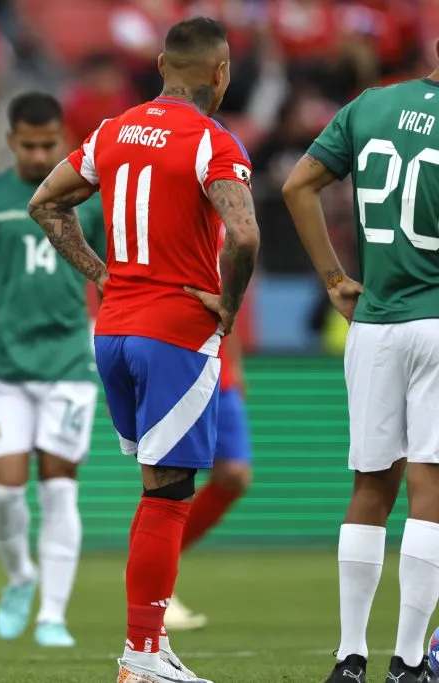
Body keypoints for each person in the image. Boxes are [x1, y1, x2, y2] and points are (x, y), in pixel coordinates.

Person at [28, 17, 260, 683]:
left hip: (114, 330)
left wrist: (100, 274)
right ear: (220, 74)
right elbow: (243, 236)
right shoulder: (213, 141)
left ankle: (148, 650)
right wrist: (228, 304)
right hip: (175, 333)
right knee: (169, 495)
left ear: (161, 62)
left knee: (158, 487)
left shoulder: (114, 130)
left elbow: (45, 203)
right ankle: (142, 654)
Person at [282, 39, 439, 683]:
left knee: (371, 487)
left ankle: (350, 659)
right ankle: (407, 663)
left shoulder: (370, 105)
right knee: (430, 489)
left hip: (374, 324)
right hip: (437, 321)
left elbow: (298, 185)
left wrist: (333, 279)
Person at [0, 92, 103, 648]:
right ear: (10, 140)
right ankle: (21, 578)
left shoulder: (90, 198)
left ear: (63, 138)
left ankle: (52, 615)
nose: (40, 155)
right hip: (4, 369)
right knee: (4, 496)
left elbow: (112, 278)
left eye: (49, 144)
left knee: (60, 491)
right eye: (29, 145)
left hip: (67, 364)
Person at [165, 225, 253, 633]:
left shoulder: (224, 225)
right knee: (170, 478)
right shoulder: (172, 215)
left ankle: (166, 560)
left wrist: (236, 365)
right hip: (179, 359)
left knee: (234, 475)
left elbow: (229, 300)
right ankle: (159, 591)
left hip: (222, 368)